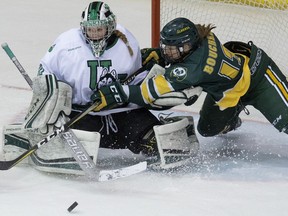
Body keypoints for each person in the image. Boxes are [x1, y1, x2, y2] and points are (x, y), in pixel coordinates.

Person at [3, 4, 199, 173]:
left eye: (100, 29)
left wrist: (125, 93)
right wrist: (50, 93)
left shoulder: (126, 41)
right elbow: (45, 70)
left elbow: (138, 78)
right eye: (90, 29)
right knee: (69, 144)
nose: (95, 34)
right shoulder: (66, 43)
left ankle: (175, 127)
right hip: (83, 113)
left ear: (111, 26)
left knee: (156, 141)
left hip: (124, 112)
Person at [92, 17, 288, 139]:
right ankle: (233, 113)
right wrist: (161, 55)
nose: (167, 52)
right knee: (207, 130)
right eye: (165, 47)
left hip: (258, 78)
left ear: (186, 46)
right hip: (226, 92)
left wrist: (120, 92)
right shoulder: (197, 35)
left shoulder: (193, 70)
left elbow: (147, 94)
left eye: (170, 49)